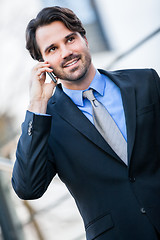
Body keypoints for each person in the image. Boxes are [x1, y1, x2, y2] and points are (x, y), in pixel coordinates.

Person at [12, 6, 160, 240]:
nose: (66, 52)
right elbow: (28, 187)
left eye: (70, 39)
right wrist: (37, 103)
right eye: (52, 49)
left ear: (85, 39)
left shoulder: (145, 81)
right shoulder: (45, 123)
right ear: (43, 64)